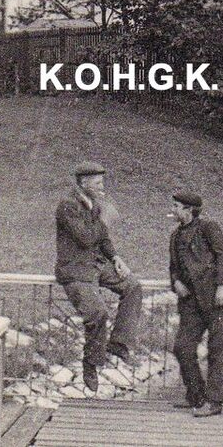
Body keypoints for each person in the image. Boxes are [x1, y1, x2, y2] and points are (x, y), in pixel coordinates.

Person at [54, 161, 143, 392]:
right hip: (75, 270)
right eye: (98, 183)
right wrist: (105, 219)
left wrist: (115, 257)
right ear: (84, 182)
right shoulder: (68, 205)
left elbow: (102, 239)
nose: (102, 187)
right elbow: (85, 238)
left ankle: (119, 344)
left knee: (133, 287)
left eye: (102, 182)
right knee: (98, 313)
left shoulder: (93, 203)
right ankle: (91, 363)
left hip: (96, 265)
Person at [168, 191, 223, 417]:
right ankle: (196, 396)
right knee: (182, 347)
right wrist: (176, 281)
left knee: (217, 350)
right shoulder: (175, 236)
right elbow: (173, 267)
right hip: (192, 302)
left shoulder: (208, 227)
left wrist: (222, 285)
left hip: (218, 298)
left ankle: (214, 402)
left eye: (176, 206)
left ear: (189, 209)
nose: (173, 210)